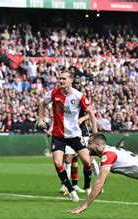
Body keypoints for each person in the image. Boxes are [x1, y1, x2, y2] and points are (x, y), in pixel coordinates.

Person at [38, 70, 98, 202]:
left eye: (64, 78)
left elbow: (91, 112)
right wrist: (40, 119)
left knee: (87, 162)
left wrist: (95, 133)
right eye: (60, 78)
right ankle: (71, 190)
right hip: (59, 135)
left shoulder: (78, 96)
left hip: (75, 135)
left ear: (71, 80)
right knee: (58, 162)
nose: (61, 81)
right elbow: (42, 103)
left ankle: (87, 186)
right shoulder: (54, 93)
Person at [58, 75, 99, 194]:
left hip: (83, 131)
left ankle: (98, 183)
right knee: (69, 158)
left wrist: (83, 119)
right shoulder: (66, 100)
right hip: (70, 132)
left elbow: (91, 113)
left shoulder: (80, 98)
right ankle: (68, 186)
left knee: (90, 159)